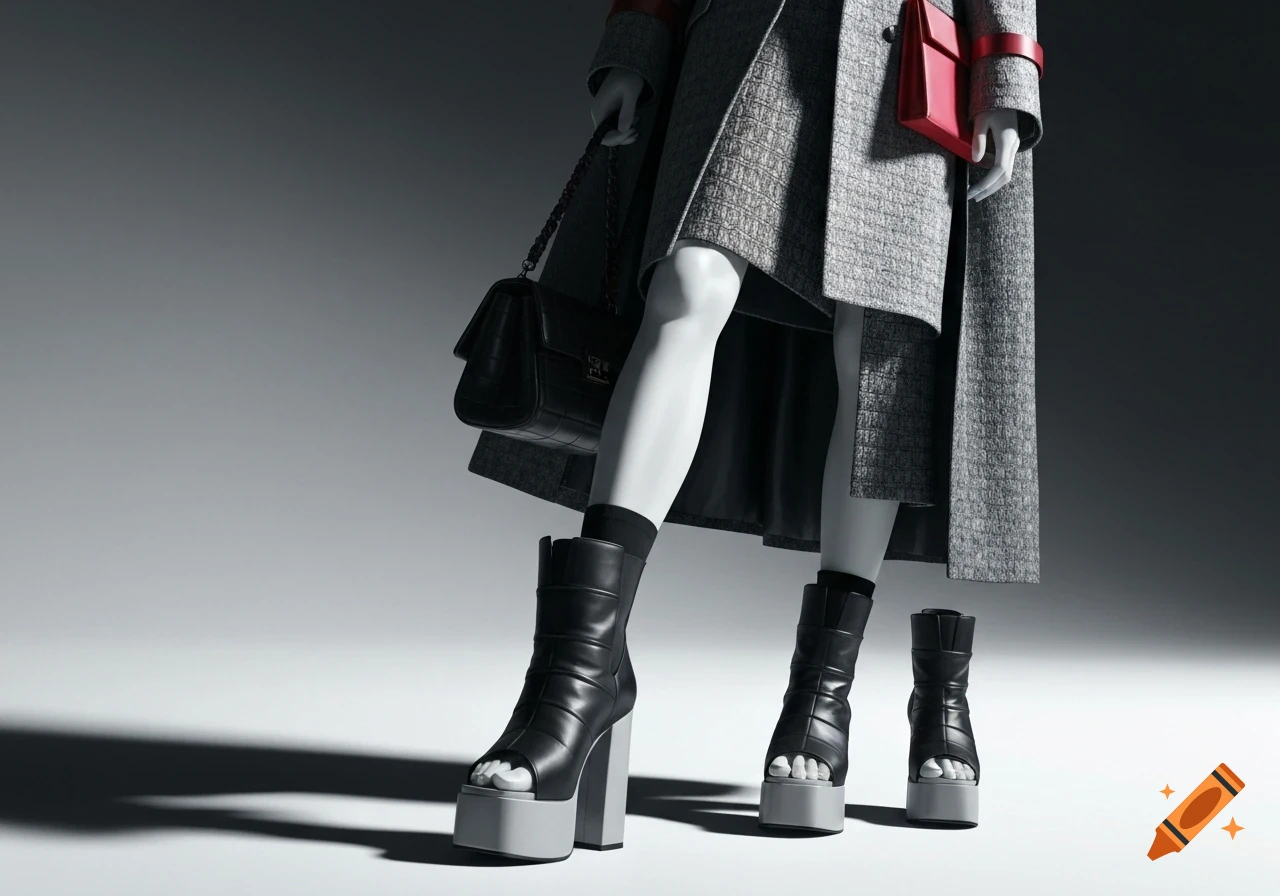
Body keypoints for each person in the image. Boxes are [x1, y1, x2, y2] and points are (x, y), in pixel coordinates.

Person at [453, 0, 1044, 861]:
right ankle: (578, 679)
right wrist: (637, 38)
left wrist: (1006, 73)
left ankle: (820, 700)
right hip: (752, 29)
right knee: (686, 285)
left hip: (907, 48)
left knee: (875, 351)